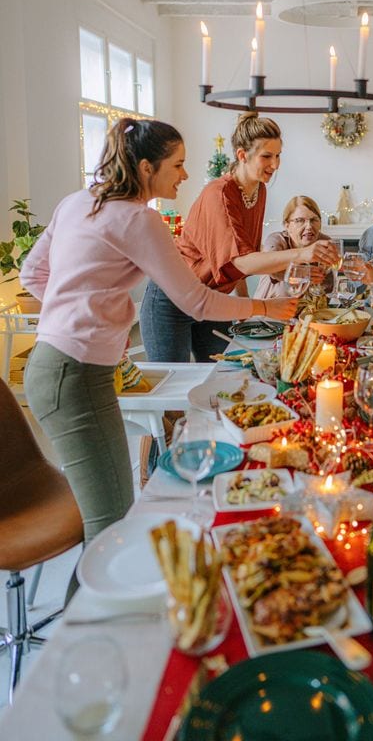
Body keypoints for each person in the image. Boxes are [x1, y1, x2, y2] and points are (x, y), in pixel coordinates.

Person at [20, 118, 296, 596]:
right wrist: (268, 307)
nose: (185, 176)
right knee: (110, 527)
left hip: (53, 366)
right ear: (147, 167)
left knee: (109, 515)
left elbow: (32, 274)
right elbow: (198, 304)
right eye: (178, 165)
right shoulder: (137, 218)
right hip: (75, 374)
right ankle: (87, 645)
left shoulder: (76, 202)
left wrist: (78, 315)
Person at [140, 113, 337, 362]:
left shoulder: (258, 190)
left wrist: (242, 301)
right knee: (173, 384)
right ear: (242, 155)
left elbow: (240, 258)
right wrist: (302, 253)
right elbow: (240, 261)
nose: (275, 165)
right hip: (171, 298)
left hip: (212, 299)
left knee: (220, 372)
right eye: (267, 156)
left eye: (278, 156)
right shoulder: (218, 194)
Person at [254, 195, 334, 300]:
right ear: (286, 225)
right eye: (300, 220)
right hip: (270, 308)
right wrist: (304, 273)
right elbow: (270, 268)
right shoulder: (276, 240)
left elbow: (328, 285)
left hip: (311, 312)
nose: (309, 226)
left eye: (314, 220)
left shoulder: (325, 242)